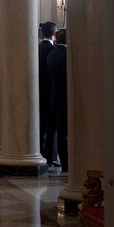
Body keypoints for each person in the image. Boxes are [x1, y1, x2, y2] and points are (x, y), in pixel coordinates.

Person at [46, 28, 68, 172]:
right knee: (65, 133)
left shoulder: (51, 54)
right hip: (65, 98)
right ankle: (68, 161)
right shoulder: (67, 55)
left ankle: (60, 159)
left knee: (57, 132)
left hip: (54, 97)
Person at [38, 21, 58, 166]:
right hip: (50, 92)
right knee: (50, 126)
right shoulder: (52, 50)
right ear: (54, 33)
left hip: (40, 91)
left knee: (42, 125)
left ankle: (44, 152)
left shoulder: (39, 48)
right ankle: (49, 156)